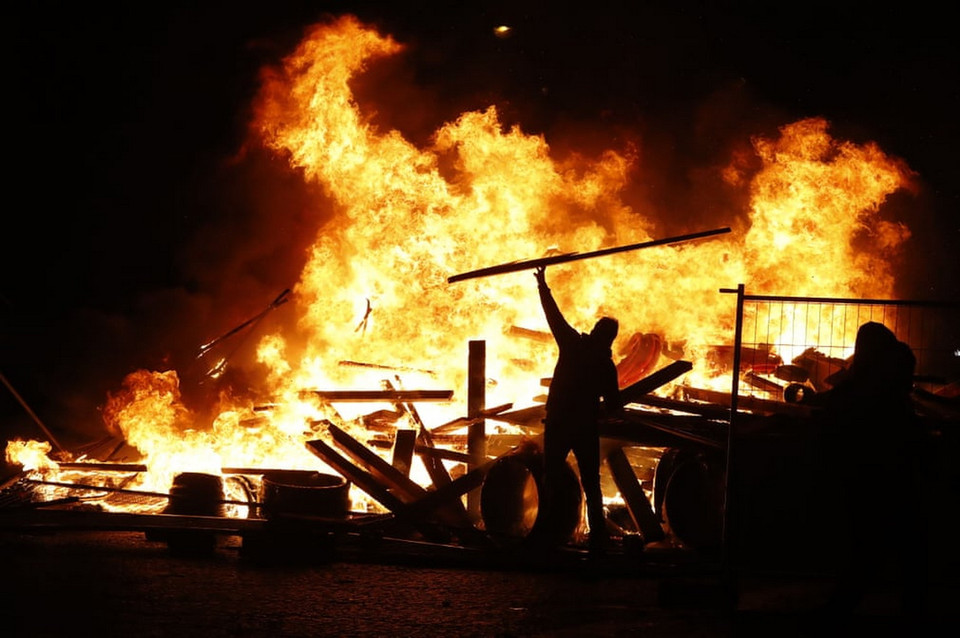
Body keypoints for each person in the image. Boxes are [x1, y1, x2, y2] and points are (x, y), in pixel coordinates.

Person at [814, 321, 927, 622]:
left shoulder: (859, 385)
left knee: (868, 548)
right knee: (906, 547)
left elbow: (836, 424)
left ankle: (838, 613)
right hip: (894, 475)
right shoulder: (893, 375)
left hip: (867, 476)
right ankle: (911, 611)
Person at [533, 266, 623, 554]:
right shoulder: (606, 366)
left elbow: (554, 317)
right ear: (610, 340)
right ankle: (598, 537)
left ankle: (545, 531)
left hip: (559, 423)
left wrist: (542, 286)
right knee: (591, 483)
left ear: (597, 332)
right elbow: (613, 406)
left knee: (552, 476)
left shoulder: (572, 345)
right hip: (584, 428)